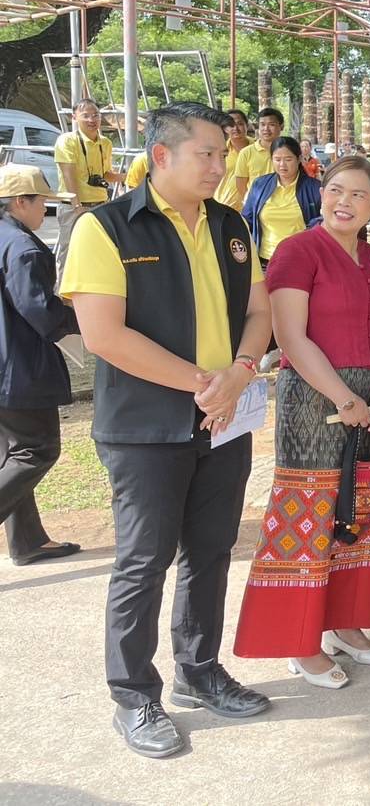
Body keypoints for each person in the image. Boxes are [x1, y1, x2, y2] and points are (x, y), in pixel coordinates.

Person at [61, 102, 273, 758]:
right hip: (145, 428)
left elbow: (259, 310)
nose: (221, 164)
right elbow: (103, 337)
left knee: (210, 552)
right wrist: (202, 383)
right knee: (143, 560)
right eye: (207, 153)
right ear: (162, 156)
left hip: (225, 419)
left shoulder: (231, 224)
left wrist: (239, 371)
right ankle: (132, 694)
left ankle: (199, 671)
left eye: (223, 153)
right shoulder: (107, 228)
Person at [233, 156, 370, 689]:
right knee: (309, 513)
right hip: (314, 399)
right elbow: (290, 337)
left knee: (359, 509)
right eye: (335, 190)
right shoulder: (298, 251)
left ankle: (345, 624)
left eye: (359, 194)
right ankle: (299, 641)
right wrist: (343, 396)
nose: (344, 201)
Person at [0, 164, 81, 566]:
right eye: (42, 203)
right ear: (20, 202)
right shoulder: (25, 248)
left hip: (7, 362)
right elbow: (40, 312)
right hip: (18, 366)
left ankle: (27, 541)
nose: (44, 211)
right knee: (35, 450)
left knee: (14, 453)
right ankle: (26, 541)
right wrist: (78, 318)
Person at [53, 96, 122, 281]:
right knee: (69, 251)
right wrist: (77, 206)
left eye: (96, 115)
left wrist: (129, 176)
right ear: (74, 118)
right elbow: (69, 175)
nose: (92, 120)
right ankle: (63, 298)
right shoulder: (67, 141)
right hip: (74, 206)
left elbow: (106, 174)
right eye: (86, 116)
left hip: (100, 204)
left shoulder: (105, 143)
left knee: (99, 249)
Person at [240, 136, 321, 268]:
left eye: (288, 159)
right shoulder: (260, 185)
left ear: (299, 159)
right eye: (277, 159)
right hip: (265, 261)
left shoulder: (315, 188)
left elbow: (324, 223)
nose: (282, 165)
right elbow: (246, 219)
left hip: (301, 261)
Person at [231, 107, 284, 204]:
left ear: (281, 126)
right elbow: (240, 184)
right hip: (256, 206)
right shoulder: (246, 152)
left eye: (271, 125)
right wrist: (251, 203)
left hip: (283, 205)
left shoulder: (288, 151)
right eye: (262, 125)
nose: (266, 129)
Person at [215, 109, 251, 209]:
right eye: (230, 125)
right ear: (224, 129)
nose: (235, 128)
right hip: (224, 206)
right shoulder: (218, 151)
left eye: (240, 124)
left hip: (252, 209)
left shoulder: (258, 149)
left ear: (246, 126)